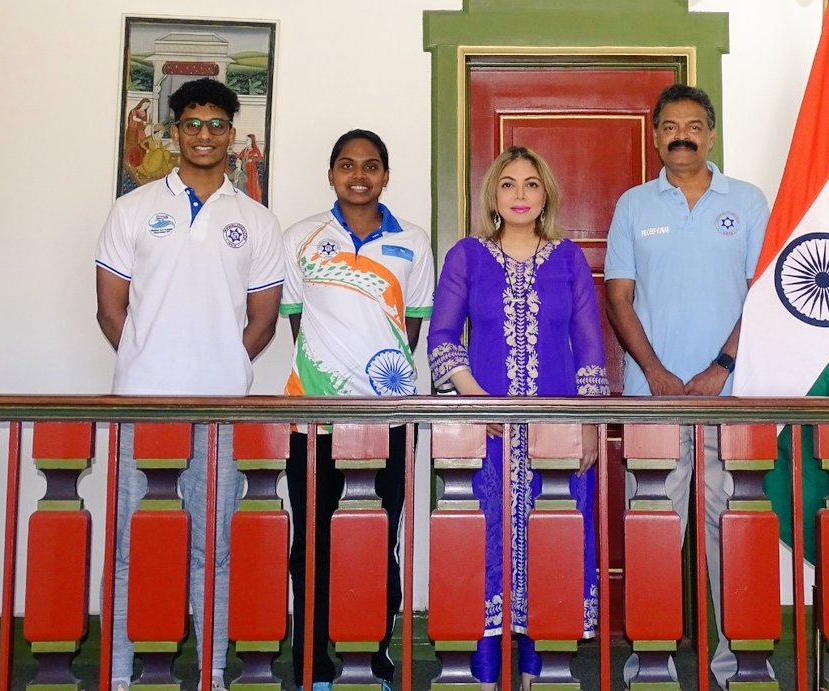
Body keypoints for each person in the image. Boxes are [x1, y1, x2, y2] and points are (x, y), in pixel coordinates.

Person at [95, 77, 284, 691]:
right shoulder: (132, 209)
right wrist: (152, 362)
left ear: (232, 133)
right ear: (173, 132)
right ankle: (119, 674)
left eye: (217, 125)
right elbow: (110, 310)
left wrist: (218, 364)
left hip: (222, 408)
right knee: (131, 544)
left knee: (213, 547)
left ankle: (212, 673)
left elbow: (263, 321)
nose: (205, 135)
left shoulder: (256, 220)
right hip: (140, 405)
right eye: (192, 124)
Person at [603, 83, 770, 689]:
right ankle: (651, 661)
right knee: (654, 528)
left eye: (694, 126)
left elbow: (765, 293)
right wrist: (655, 372)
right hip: (654, 398)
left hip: (735, 395)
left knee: (735, 528)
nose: (682, 136)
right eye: (670, 126)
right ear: (655, 136)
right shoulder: (633, 205)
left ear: (711, 135)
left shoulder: (748, 202)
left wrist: (721, 366)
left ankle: (741, 662)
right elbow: (618, 297)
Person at [428, 146, 609, 691]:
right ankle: (484, 676)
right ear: (494, 196)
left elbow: (590, 347)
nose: (521, 194)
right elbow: (441, 338)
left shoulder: (569, 259)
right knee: (484, 546)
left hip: (557, 433)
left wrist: (588, 425)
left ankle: (540, 674)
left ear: (546, 194)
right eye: (508, 184)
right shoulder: (467, 256)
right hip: (486, 432)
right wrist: (476, 398)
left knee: (553, 543)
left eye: (531, 184)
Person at [280, 129, 435, 691]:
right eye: (347, 165)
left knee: (378, 542)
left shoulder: (413, 241)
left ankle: (373, 662)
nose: (359, 175)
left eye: (371, 165)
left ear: (386, 176)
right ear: (331, 174)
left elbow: (410, 327)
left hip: (387, 420)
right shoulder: (301, 236)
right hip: (313, 419)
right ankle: (314, 669)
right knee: (312, 545)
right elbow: (298, 322)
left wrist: (375, 377)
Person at [236, 133, 264, 203]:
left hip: (252, 170)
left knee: (252, 184)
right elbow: (239, 155)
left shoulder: (255, 149)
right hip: (245, 169)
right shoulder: (245, 150)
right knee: (246, 184)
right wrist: (232, 152)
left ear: (252, 141)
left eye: (248, 140)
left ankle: (254, 199)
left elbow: (259, 157)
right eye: (246, 140)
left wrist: (252, 160)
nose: (246, 141)